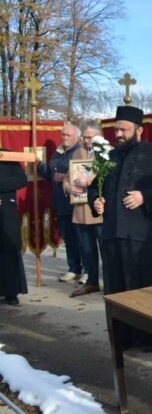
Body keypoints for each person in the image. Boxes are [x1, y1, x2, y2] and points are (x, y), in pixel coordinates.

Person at [90, 106, 152, 351]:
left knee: (145, 289)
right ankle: (123, 338)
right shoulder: (108, 158)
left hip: (143, 236)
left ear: (139, 130)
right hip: (112, 236)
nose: (118, 134)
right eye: (116, 129)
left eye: (124, 129)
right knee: (117, 289)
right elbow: (93, 190)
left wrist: (144, 196)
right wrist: (95, 201)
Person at [38, 124, 83, 282]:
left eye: (68, 135)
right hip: (61, 203)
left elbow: (83, 175)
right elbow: (51, 176)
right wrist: (38, 165)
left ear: (77, 137)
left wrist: (64, 176)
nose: (64, 137)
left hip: (77, 204)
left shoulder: (80, 152)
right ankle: (74, 268)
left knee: (81, 239)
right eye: (62, 134)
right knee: (69, 239)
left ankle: (89, 271)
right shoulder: (58, 153)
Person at [63, 122, 103, 297]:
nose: (87, 140)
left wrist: (89, 181)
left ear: (99, 135)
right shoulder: (77, 152)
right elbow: (67, 176)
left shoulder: (107, 153)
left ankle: (112, 283)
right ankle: (92, 282)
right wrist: (68, 187)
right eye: (85, 137)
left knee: (105, 249)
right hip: (80, 209)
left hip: (100, 210)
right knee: (87, 249)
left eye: (90, 137)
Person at [0, 149, 28, 305]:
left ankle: (11, 292)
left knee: (8, 250)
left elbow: (21, 180)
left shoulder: (7, 156)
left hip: (6, 210)